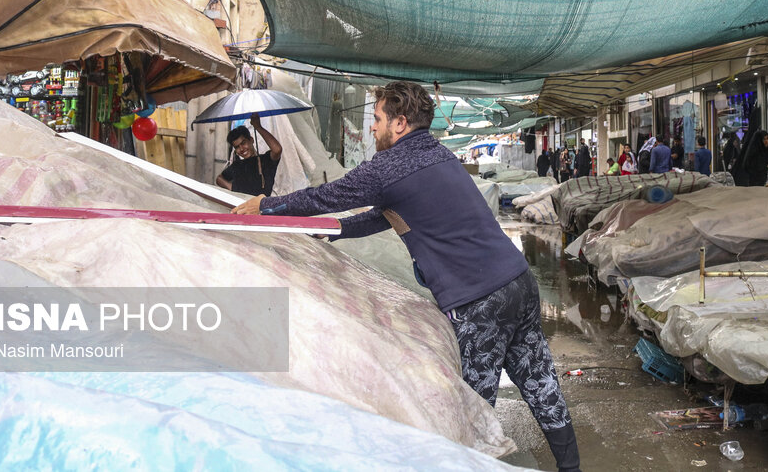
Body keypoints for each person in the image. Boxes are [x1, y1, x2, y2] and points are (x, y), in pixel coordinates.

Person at [232, 82, 581, 472]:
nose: (373, 128)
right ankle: (572, 469)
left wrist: (268, 205)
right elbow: (389, 215)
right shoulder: (437, 155)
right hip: (518, 282)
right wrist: (337, 231)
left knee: (471, 411)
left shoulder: (390, 166)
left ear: (399, 123)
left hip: (479, 300)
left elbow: (325, 196)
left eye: (378, 120)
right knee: (540, 382)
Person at [216, 113, 283, 196]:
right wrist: (232, 188)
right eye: (237, 147)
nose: (241, 149)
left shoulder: (265, 161)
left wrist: (258, 127)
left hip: (261, 206)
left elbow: (277, 150)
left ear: (251, 140)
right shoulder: (237, 165)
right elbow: (219, 179)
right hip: (240, 206)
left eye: (243, 143)